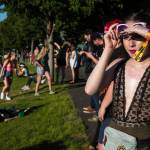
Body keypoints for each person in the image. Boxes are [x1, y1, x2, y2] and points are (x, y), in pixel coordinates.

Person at [85, 10, 150, 149]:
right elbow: (90, 89)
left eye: (137, 36)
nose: (131, 43)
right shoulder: (120, 64)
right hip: (114, 139)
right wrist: (108, 49)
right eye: (126, 36)